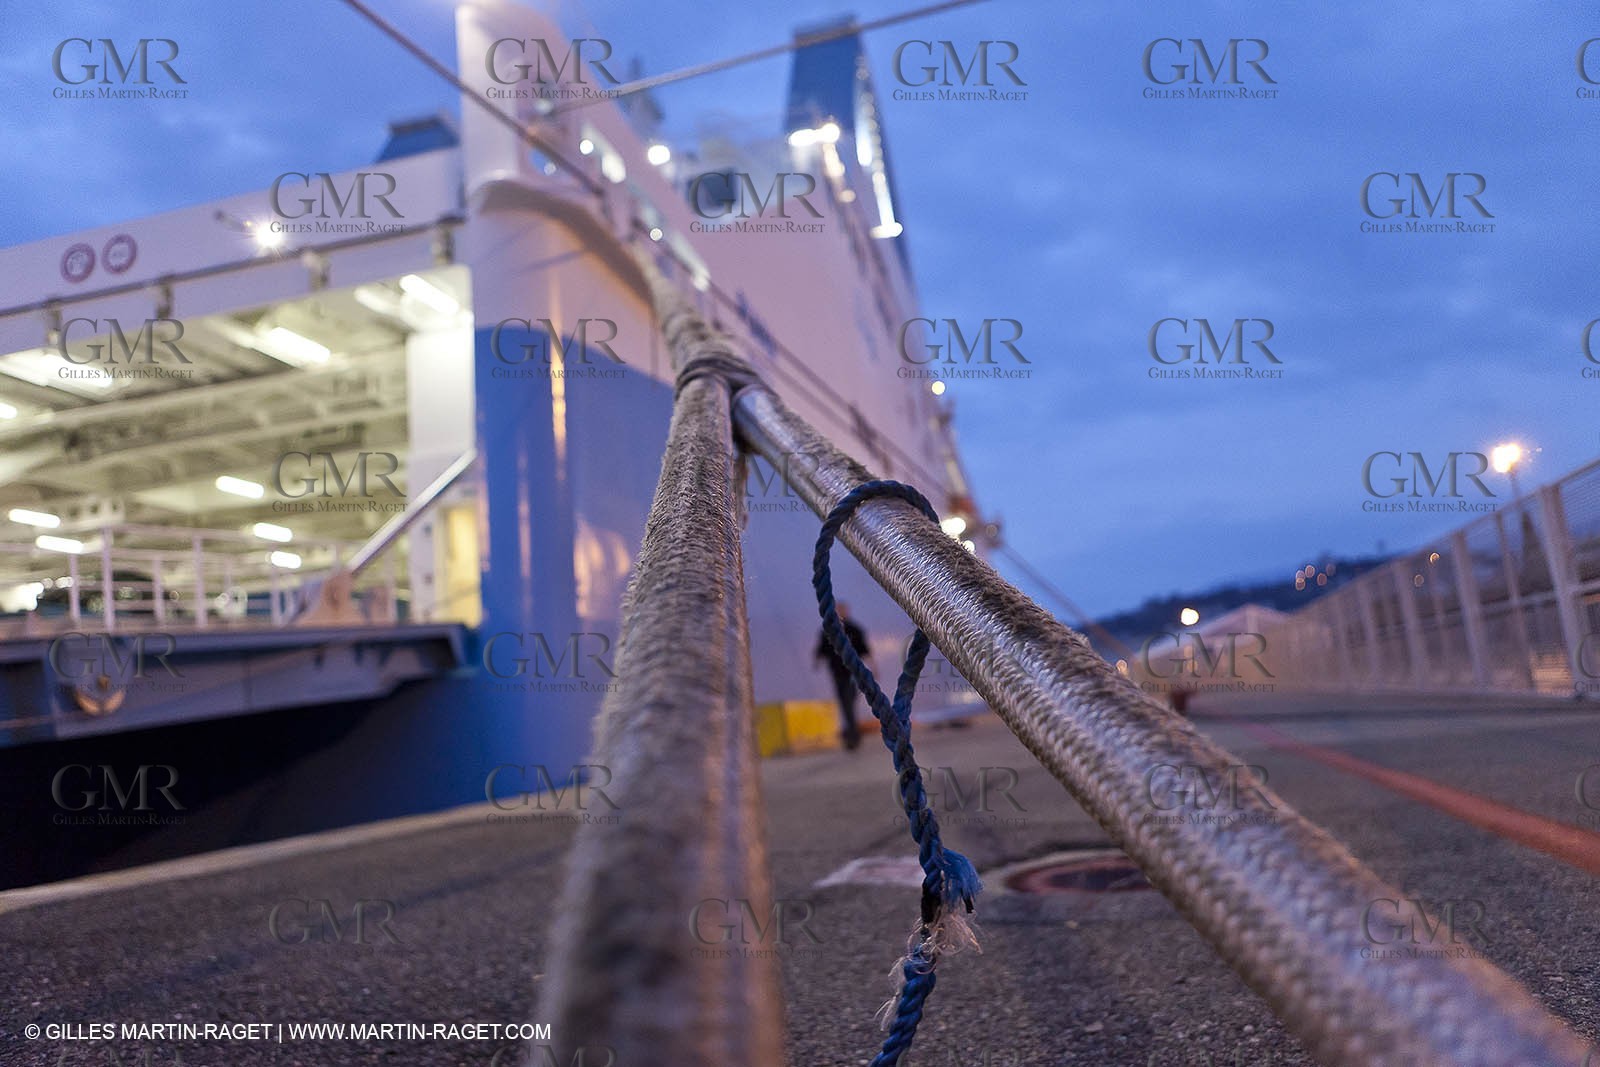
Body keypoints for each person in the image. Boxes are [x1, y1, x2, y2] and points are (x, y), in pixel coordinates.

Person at [814, 602, 871, 750]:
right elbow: (822, 649)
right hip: (837, 672)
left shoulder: (854, 629)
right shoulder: (829, 630)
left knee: (848, 702)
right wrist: (817, 661)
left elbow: (864, 650)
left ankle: (852, 734)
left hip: (852, 672)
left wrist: (873, 668)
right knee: (845, 703)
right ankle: (852, 734)